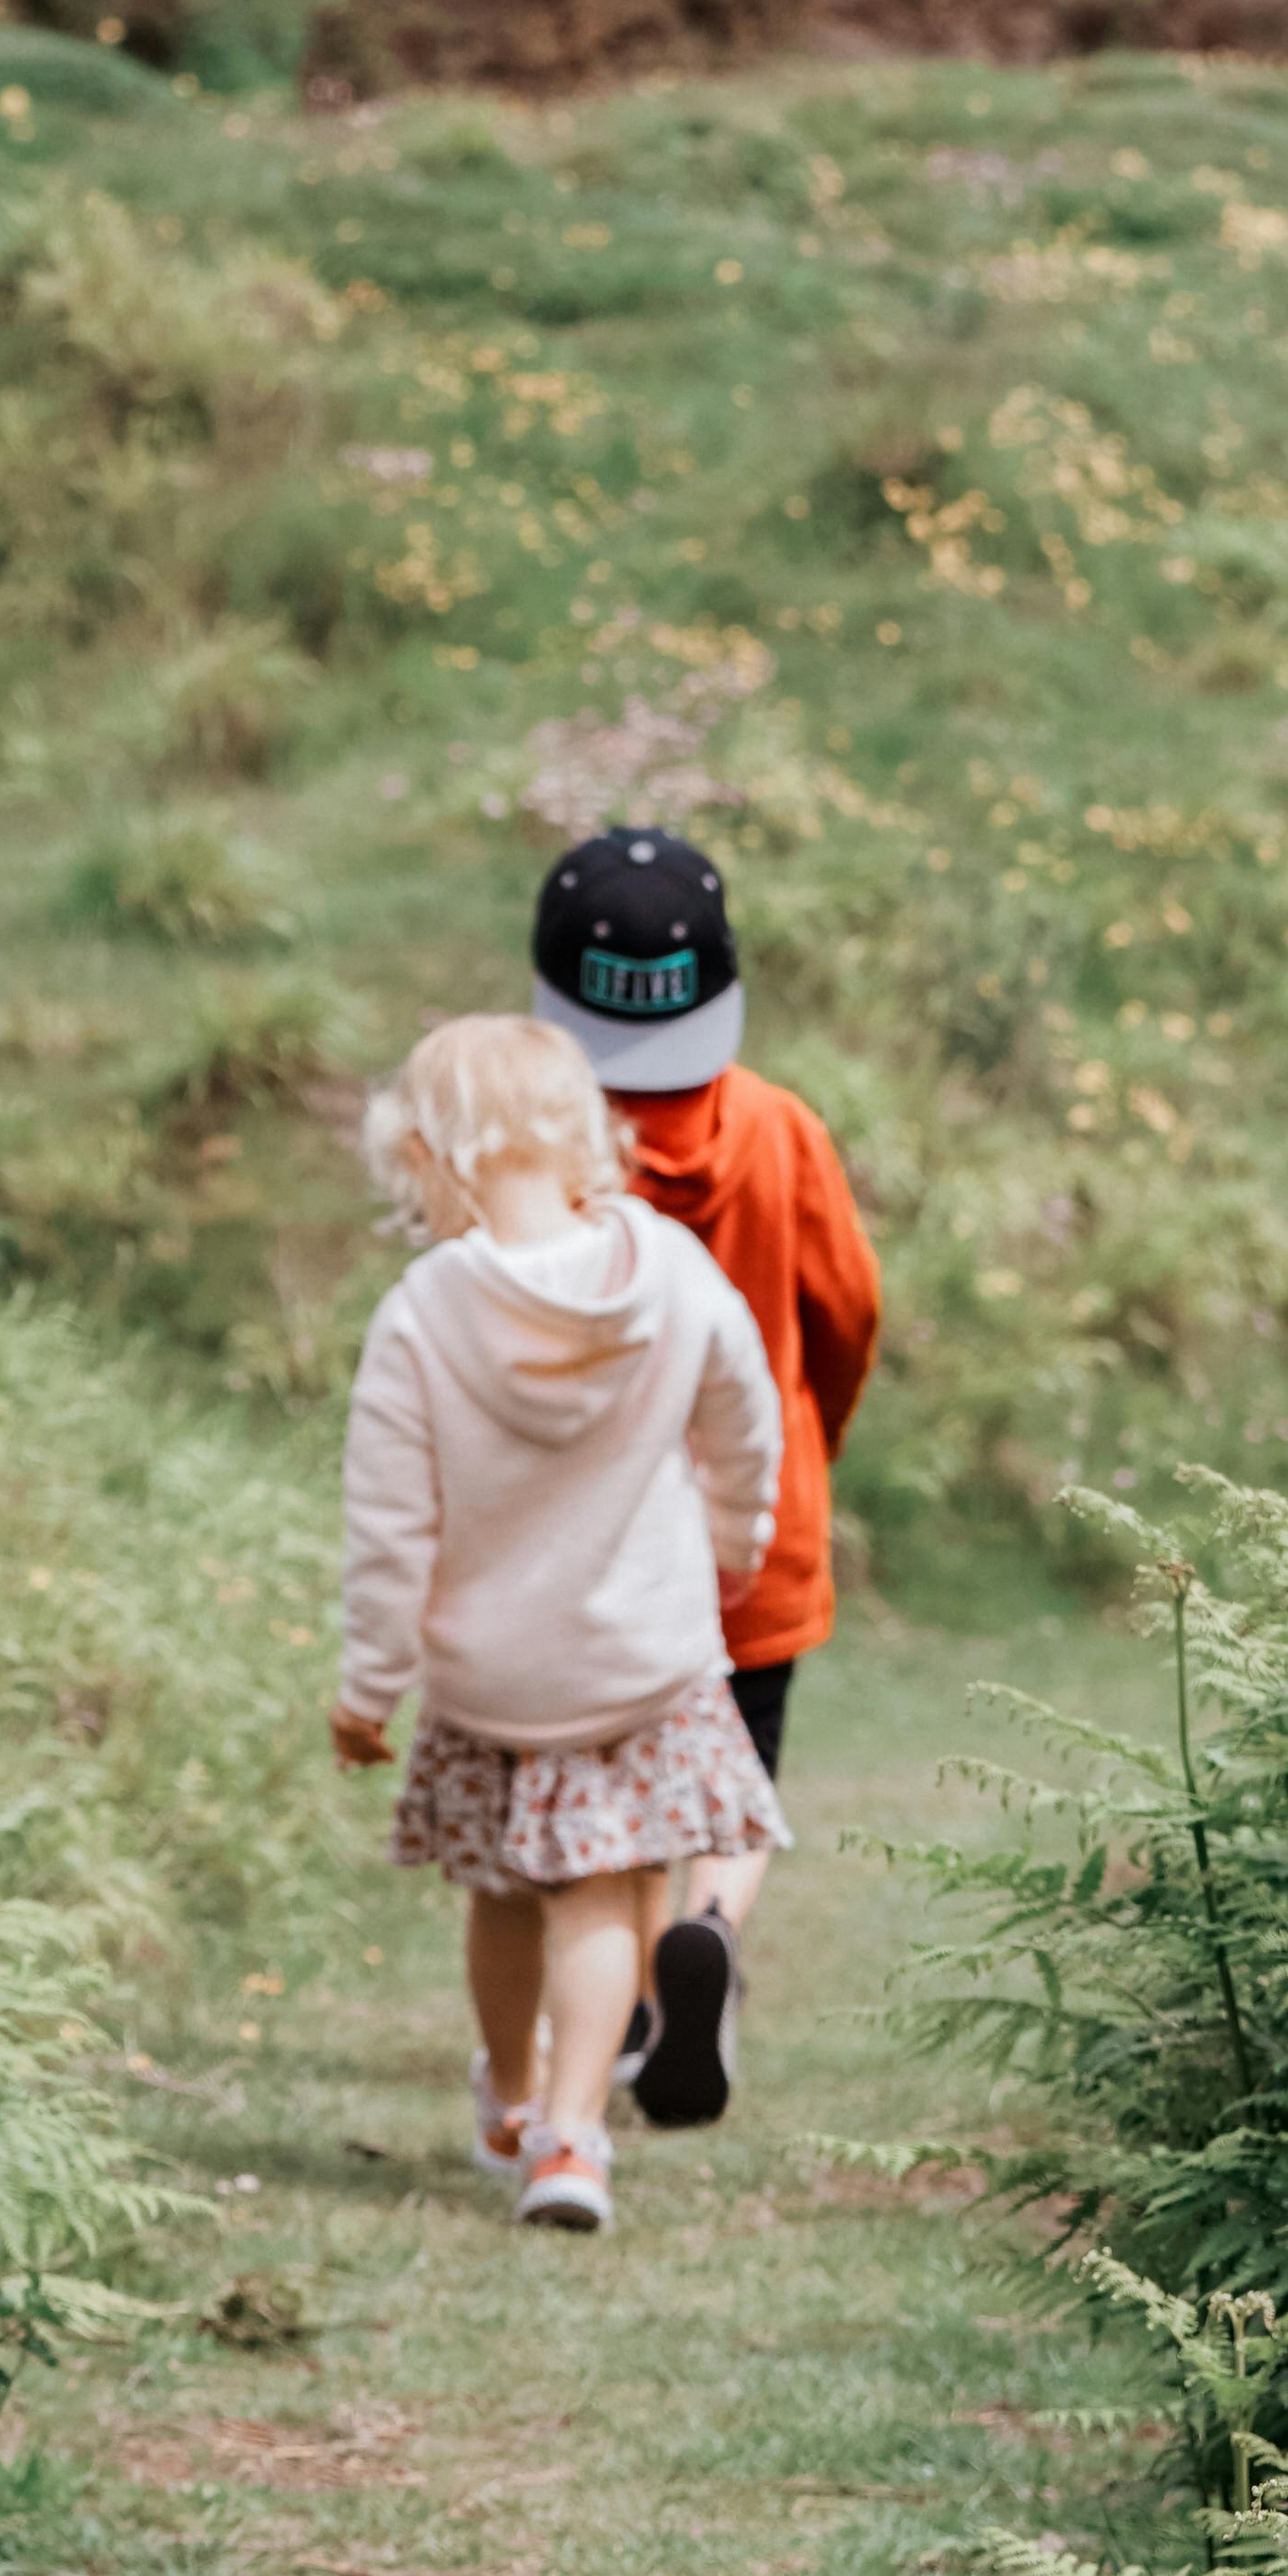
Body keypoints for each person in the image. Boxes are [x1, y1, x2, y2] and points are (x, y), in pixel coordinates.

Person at [330, 1010, 785, 2237]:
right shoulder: (674, 1273)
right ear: (582, 1135)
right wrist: (739, 1543)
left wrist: (368, 1687)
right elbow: (747, 1423)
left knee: (504, 1895)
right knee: (599, 1895)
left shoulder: (423, 1315)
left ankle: (512, 2101)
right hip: (640, 1659)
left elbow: (390, 1528)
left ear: (427, 1156)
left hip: (495, 1681)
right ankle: (575, 2144)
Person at [527, 824, 879, 2125]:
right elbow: (847, 1314)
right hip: (758, 1526)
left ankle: (612, 1996)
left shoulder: (544, 1155)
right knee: (739, 1766)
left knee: (609, 1769)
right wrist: (807, 1451)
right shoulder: (784, 1131)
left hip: (593, 1539)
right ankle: (713, 1932)